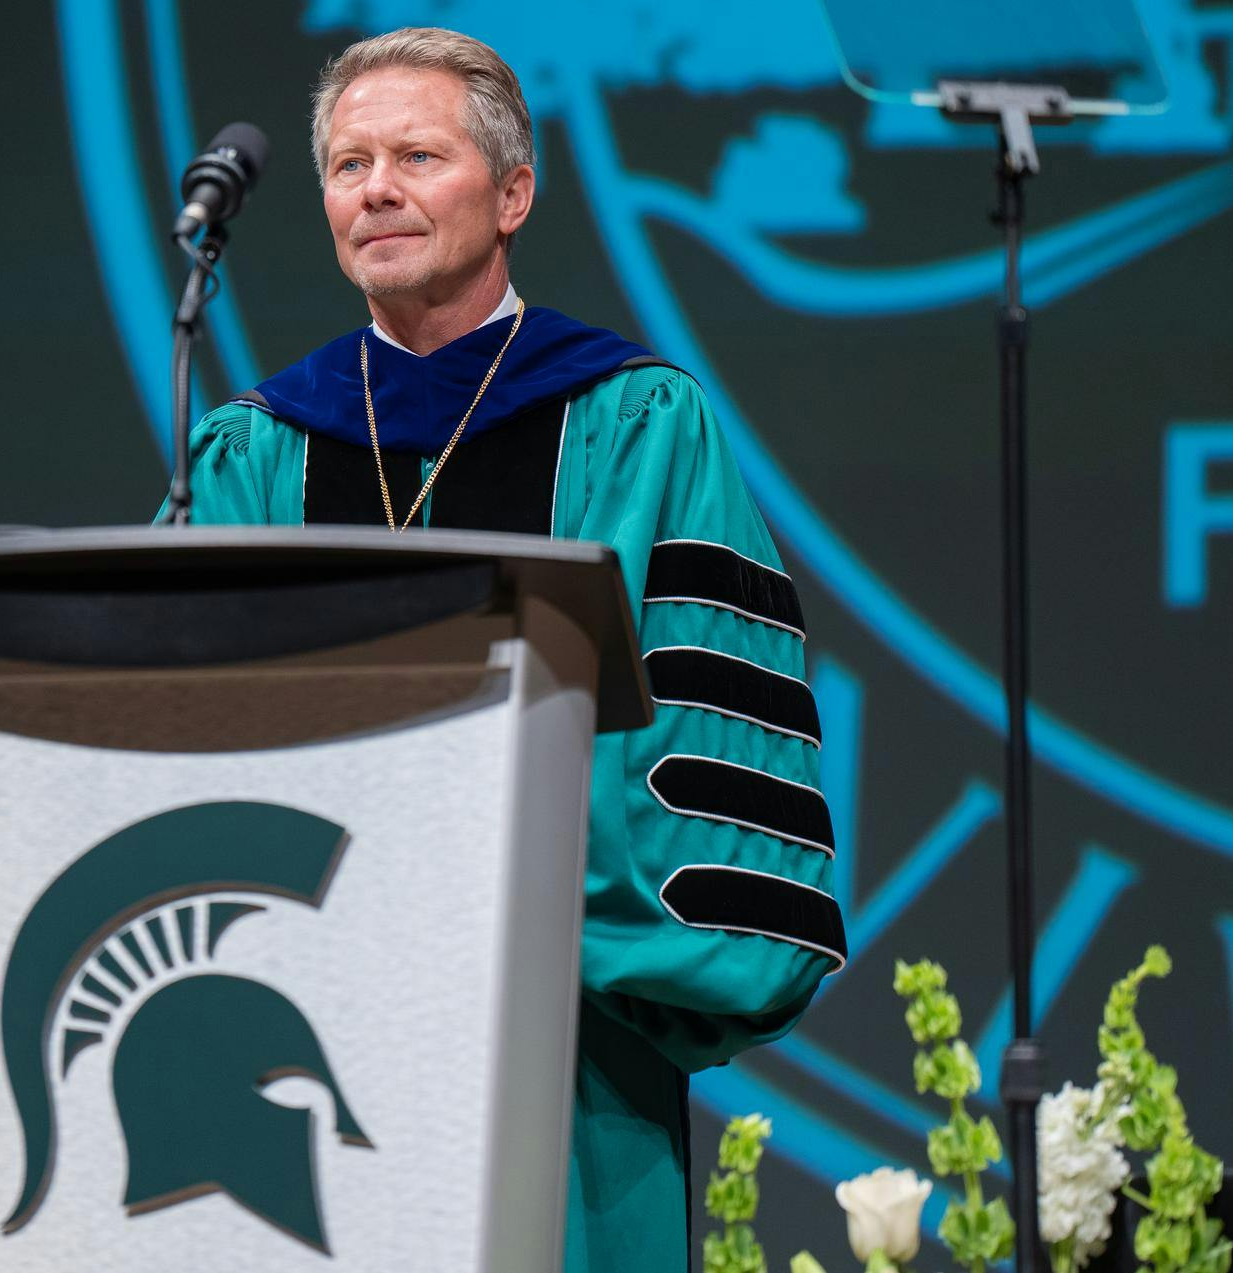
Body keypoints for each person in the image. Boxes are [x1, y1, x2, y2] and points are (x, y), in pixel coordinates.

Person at [173, 27, 848, 1272]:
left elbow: (686, 736)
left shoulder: (634, 422)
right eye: (345, 164)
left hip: (559, 1041)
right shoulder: (252, 450)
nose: (373, 189)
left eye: (416, 156)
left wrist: (481, 905)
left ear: (513, 193)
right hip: (296, 1040)